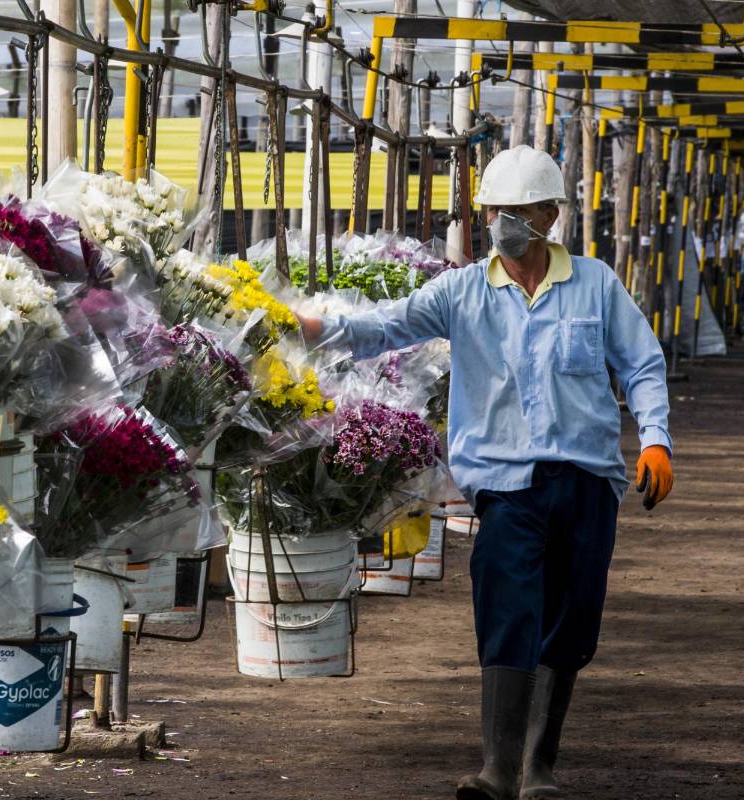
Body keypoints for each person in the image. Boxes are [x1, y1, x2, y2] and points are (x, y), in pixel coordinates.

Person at [297, 145, 674, 800]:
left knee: (571, 618)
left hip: (585, 478)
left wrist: (655, 441)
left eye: (521, 211)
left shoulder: (595, 286)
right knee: (506, 610)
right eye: (498, 211)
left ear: (551, 215)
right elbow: (383, 328)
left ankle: (541, 765)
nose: (507, 224)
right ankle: (498, 769)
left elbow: (641, 364)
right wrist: (305, 327)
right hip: (503, 485)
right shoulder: (462, 291)